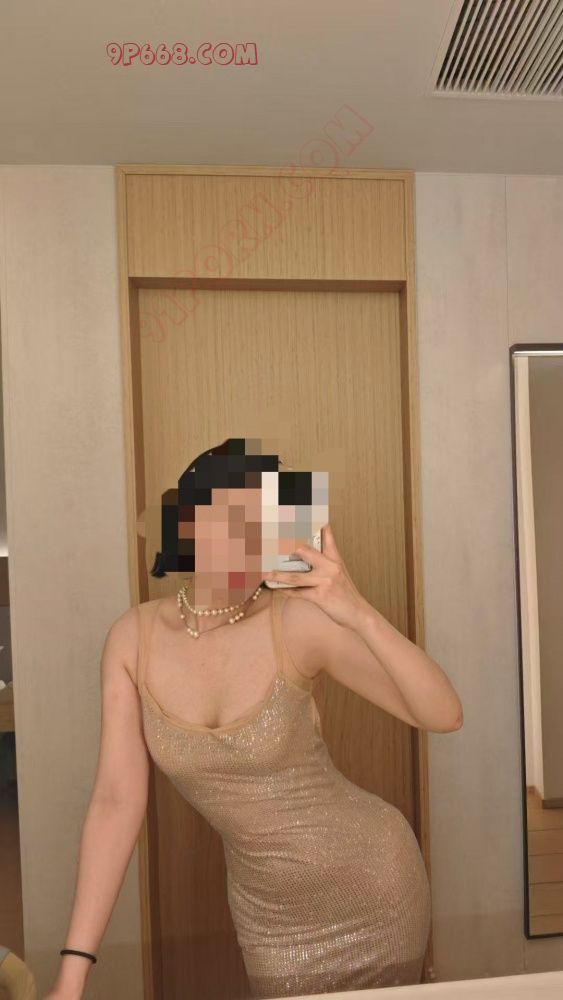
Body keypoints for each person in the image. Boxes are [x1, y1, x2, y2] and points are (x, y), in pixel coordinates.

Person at [46, 439, 463, 999]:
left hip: (373, 885)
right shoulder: (132, 639)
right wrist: (72, 974)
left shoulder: (297, 623)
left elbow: (443, 713)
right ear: (190, 523)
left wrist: (355, 609)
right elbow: (116, 802)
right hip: (269, 917)